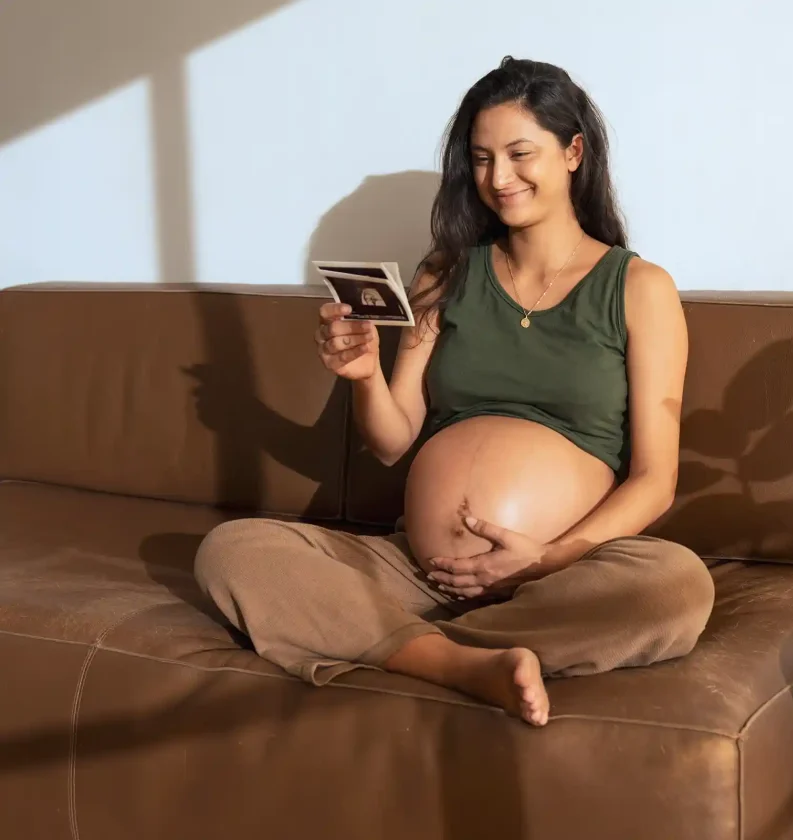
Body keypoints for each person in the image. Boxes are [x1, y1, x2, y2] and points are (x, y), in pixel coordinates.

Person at [195, 57, 715, 727]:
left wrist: (542, 561)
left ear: (573, 152)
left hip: (559, 576)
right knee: (232, 553)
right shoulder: (447, 270)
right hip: (421, 571)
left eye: (520, 154)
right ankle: (462, 664)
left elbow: (654, 479)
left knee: (675, 587)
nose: (498, 179)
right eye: (480, 159)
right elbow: (390, 442)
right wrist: (364, 378)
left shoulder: (639, 289)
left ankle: (394, 643)